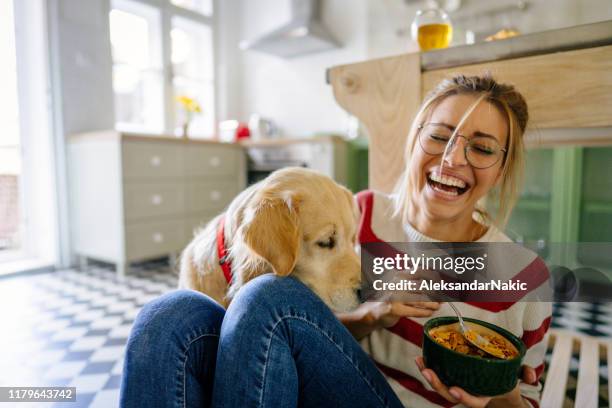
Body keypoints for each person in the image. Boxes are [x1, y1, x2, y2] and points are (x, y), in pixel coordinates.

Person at [120, 75, 551, 408]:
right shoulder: (359, 214)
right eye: (439, 136)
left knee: (267, 296)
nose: (453, 158)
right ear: (415, 139)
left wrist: (497, 394)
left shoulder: (524, 275)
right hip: (318, 389)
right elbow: (298, 334)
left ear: (502, 168)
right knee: (169, 314)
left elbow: (525, 402)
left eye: (482, 148)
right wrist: (370, 317)